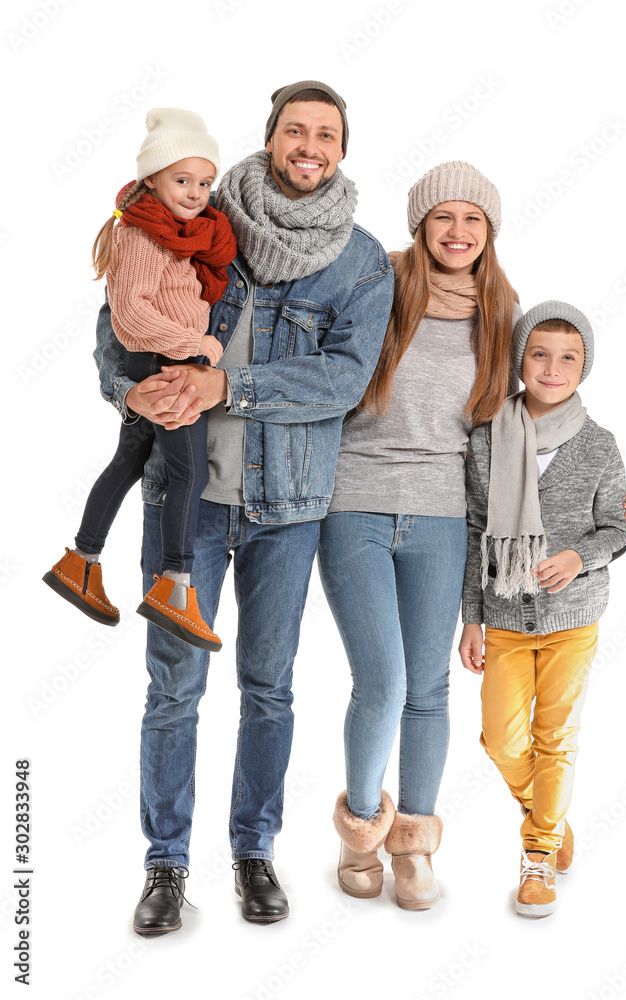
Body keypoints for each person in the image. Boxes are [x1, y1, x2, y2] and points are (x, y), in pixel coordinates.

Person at [93, 81, 394, 933]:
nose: (310, 145)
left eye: (325, 134)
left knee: (269, 687)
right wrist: (130, 392)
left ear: (342, 149)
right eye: (294, 130)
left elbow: (344, 377)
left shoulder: (362, 260)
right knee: (173, 689)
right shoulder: (189, 220)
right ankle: (165, 865)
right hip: (182, 505)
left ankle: (253, 850)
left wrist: (230, 382)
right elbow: (113, 334)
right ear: (268, 140)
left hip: (290, 507)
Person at [318, 161, 522, 910]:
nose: (458, 232)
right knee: (383, 682)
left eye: (474, 219)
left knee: (429, 690)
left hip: (441, 516)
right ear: (420, 225)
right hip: (355, 505)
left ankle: (413, 843)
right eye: (444, 218)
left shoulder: (501, 309)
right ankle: (361, 825)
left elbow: (508, 434)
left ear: (489, 231)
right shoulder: (378, 285)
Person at [458, 301, 626, 916]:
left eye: (568, 357)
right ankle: (552, 819)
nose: (552, 369)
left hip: (572, 617)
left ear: (585, 367)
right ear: (519, 359)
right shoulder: (486, 440)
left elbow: (617, 527)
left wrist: (578, 557)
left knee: (555, 737)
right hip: (504, 616)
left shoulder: (599, 444)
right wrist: (471, 617)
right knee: (501, 740)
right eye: (539, 354)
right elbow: (476, 532)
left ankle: (538, 857)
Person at [43, 109, 236, 652]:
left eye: (204, 182)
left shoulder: (174, 235)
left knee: (129, 461)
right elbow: (129, 315)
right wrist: (195, 345)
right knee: (189, 473)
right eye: (182, 180)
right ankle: (174, 587)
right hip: (162, 364)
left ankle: (80, 562)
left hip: (157, 363)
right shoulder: (139, 236)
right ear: (151, 179)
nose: (196, 193)